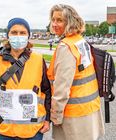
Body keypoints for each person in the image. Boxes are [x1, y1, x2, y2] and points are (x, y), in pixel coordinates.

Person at [0, 17, 51, 140]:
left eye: (22, 33)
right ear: (8, 35)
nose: (18, 36)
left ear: (28, 36)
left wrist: (48, 119)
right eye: (14, 32)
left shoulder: (38, 59)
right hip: (3, 131)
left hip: (33, 131)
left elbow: (47, 91)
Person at [47, 4, 105, 140]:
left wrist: (55, 116)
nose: (54, 24)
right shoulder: (80, 41)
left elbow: (62, 88)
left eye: (59, 20)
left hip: (74, 116)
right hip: (89, 109)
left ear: (70, 22)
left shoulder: (66, 47)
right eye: (53, 20)